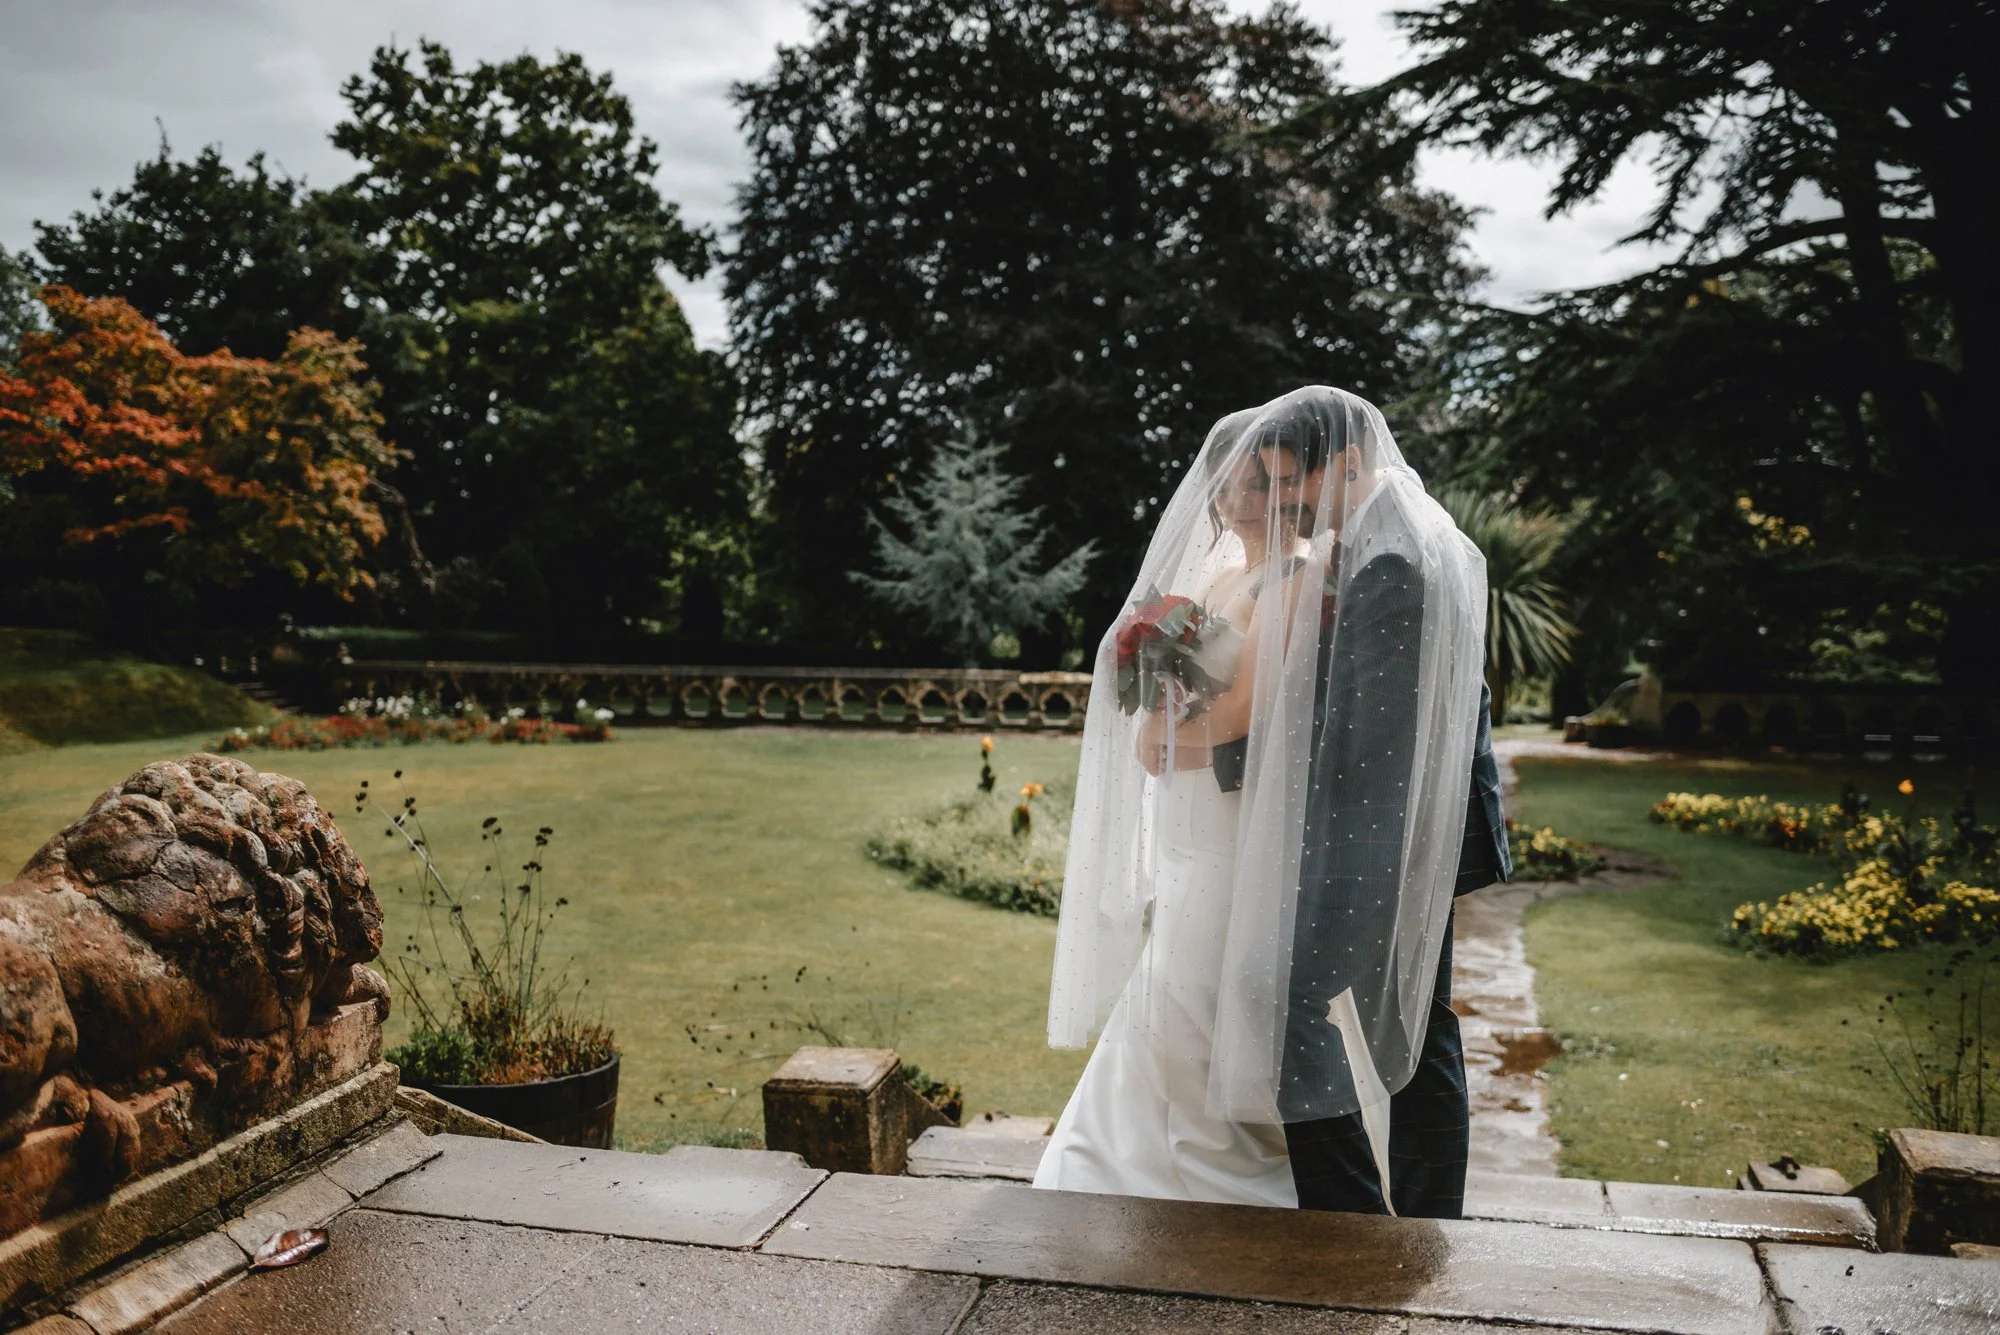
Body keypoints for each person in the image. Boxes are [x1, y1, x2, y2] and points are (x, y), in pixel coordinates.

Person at [1038, 386, 1506, 1217]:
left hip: (1384, 840)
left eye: (1290, 481)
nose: (1285, 501)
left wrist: (1206, 756)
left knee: (1293, 1003)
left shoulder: (1386, 557)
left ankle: (1351, 1215)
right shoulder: (1383, 536)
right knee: (1411, 1030)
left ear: (1345, 465)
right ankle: (1397, 1215)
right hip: (1382, 832)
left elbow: (1358, 739)